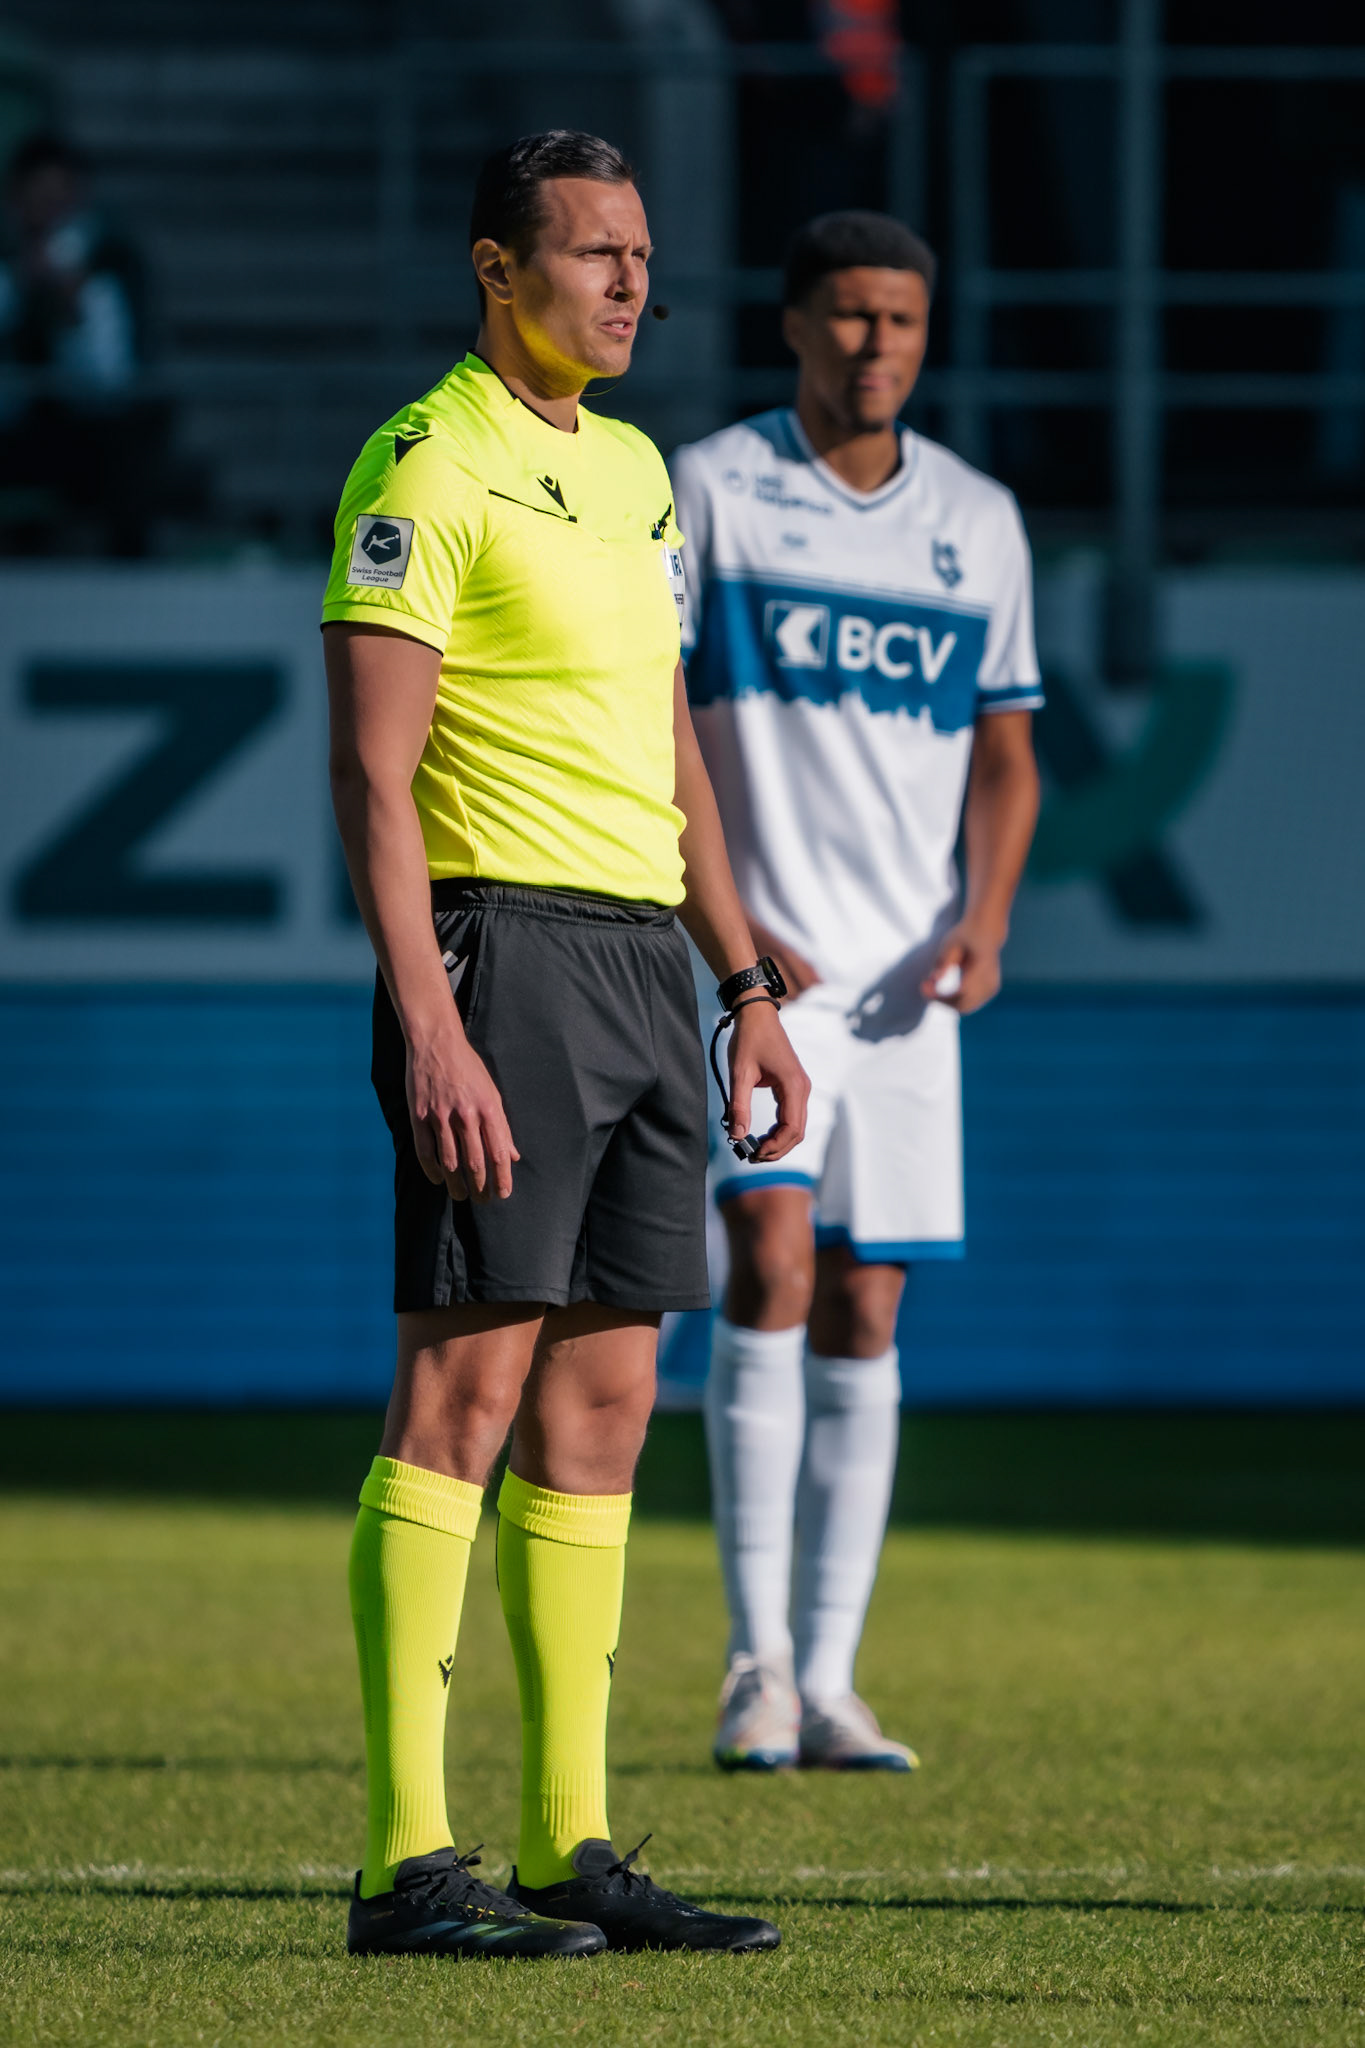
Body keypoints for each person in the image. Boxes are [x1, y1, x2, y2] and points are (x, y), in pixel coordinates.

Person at [322, 130, 808, 1960]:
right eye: (591, 253)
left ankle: (567, 1841)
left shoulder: (632, 478)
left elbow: (672, 741)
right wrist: (431, 1017)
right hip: (499, 947)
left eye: (641, 258)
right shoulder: (423, 460)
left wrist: (747, 981)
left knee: (606, 1406)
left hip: (642, 967)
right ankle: (402, 1858)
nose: (626, 284)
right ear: (494, 268)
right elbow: (374, 775)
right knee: (464, 1393)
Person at [670, 210, 1042, 1773]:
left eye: (901, 319)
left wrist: (991, 919)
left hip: (904, 987)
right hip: (767, 969)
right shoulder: (714, 490)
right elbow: (655, 724)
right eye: (848, 317)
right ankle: (750, 1665)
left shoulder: (977, 517)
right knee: (767, 1256)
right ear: (793, 327)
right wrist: (735, 935)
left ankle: (829, 1679)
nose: (877, 343)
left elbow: (1012, 758)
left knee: (871, 1298)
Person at [0, 131, 161, 556]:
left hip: (86, 425)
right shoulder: (8, 260)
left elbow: (111, 377)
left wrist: (75, 309)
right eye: (38, 199)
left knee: (126, 444)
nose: (49, 213)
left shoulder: (109, 261)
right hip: (15, 422)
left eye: (59, 200)